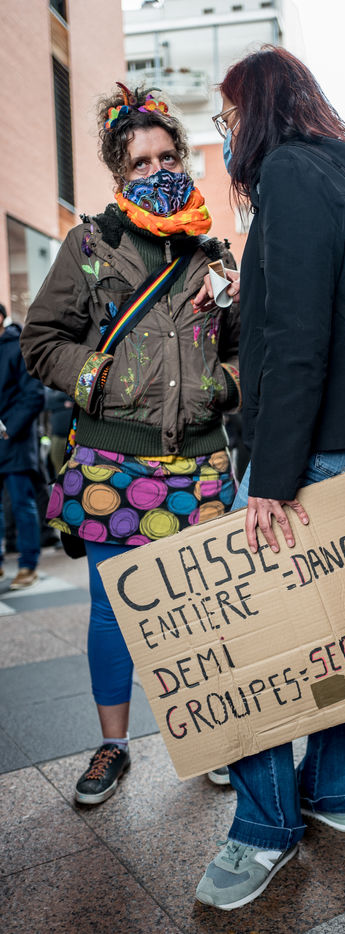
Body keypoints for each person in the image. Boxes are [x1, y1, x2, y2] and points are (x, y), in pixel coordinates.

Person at [191, 45, 345, 911]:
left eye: (229, 113)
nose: (227, 130)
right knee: (333, 629)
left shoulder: (291, 177)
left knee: (253, 643)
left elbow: (300, 340)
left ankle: (264, 828)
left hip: (308, 450)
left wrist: (271, 478)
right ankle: (336, 792)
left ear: (259, 108)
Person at [21, 83, 241, 803]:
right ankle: (112, 746)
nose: (157, 171)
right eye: (141, 163)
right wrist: (99, 378)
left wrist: (224, 383)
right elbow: (40, 340)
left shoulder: (211, 253)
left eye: (167, 157)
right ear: (120, 172)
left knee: (204, 607)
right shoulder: (90, 245)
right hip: (113, 460)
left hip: (200, 459)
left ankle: (212, 734)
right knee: (113, 610)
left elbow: (242, 349)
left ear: (183, 158)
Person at [0, 303, 45, 589]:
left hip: (14, 441)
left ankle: (28, 566)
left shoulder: (17, 346)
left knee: (22, 505)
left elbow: (34, 395)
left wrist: (8, 429)